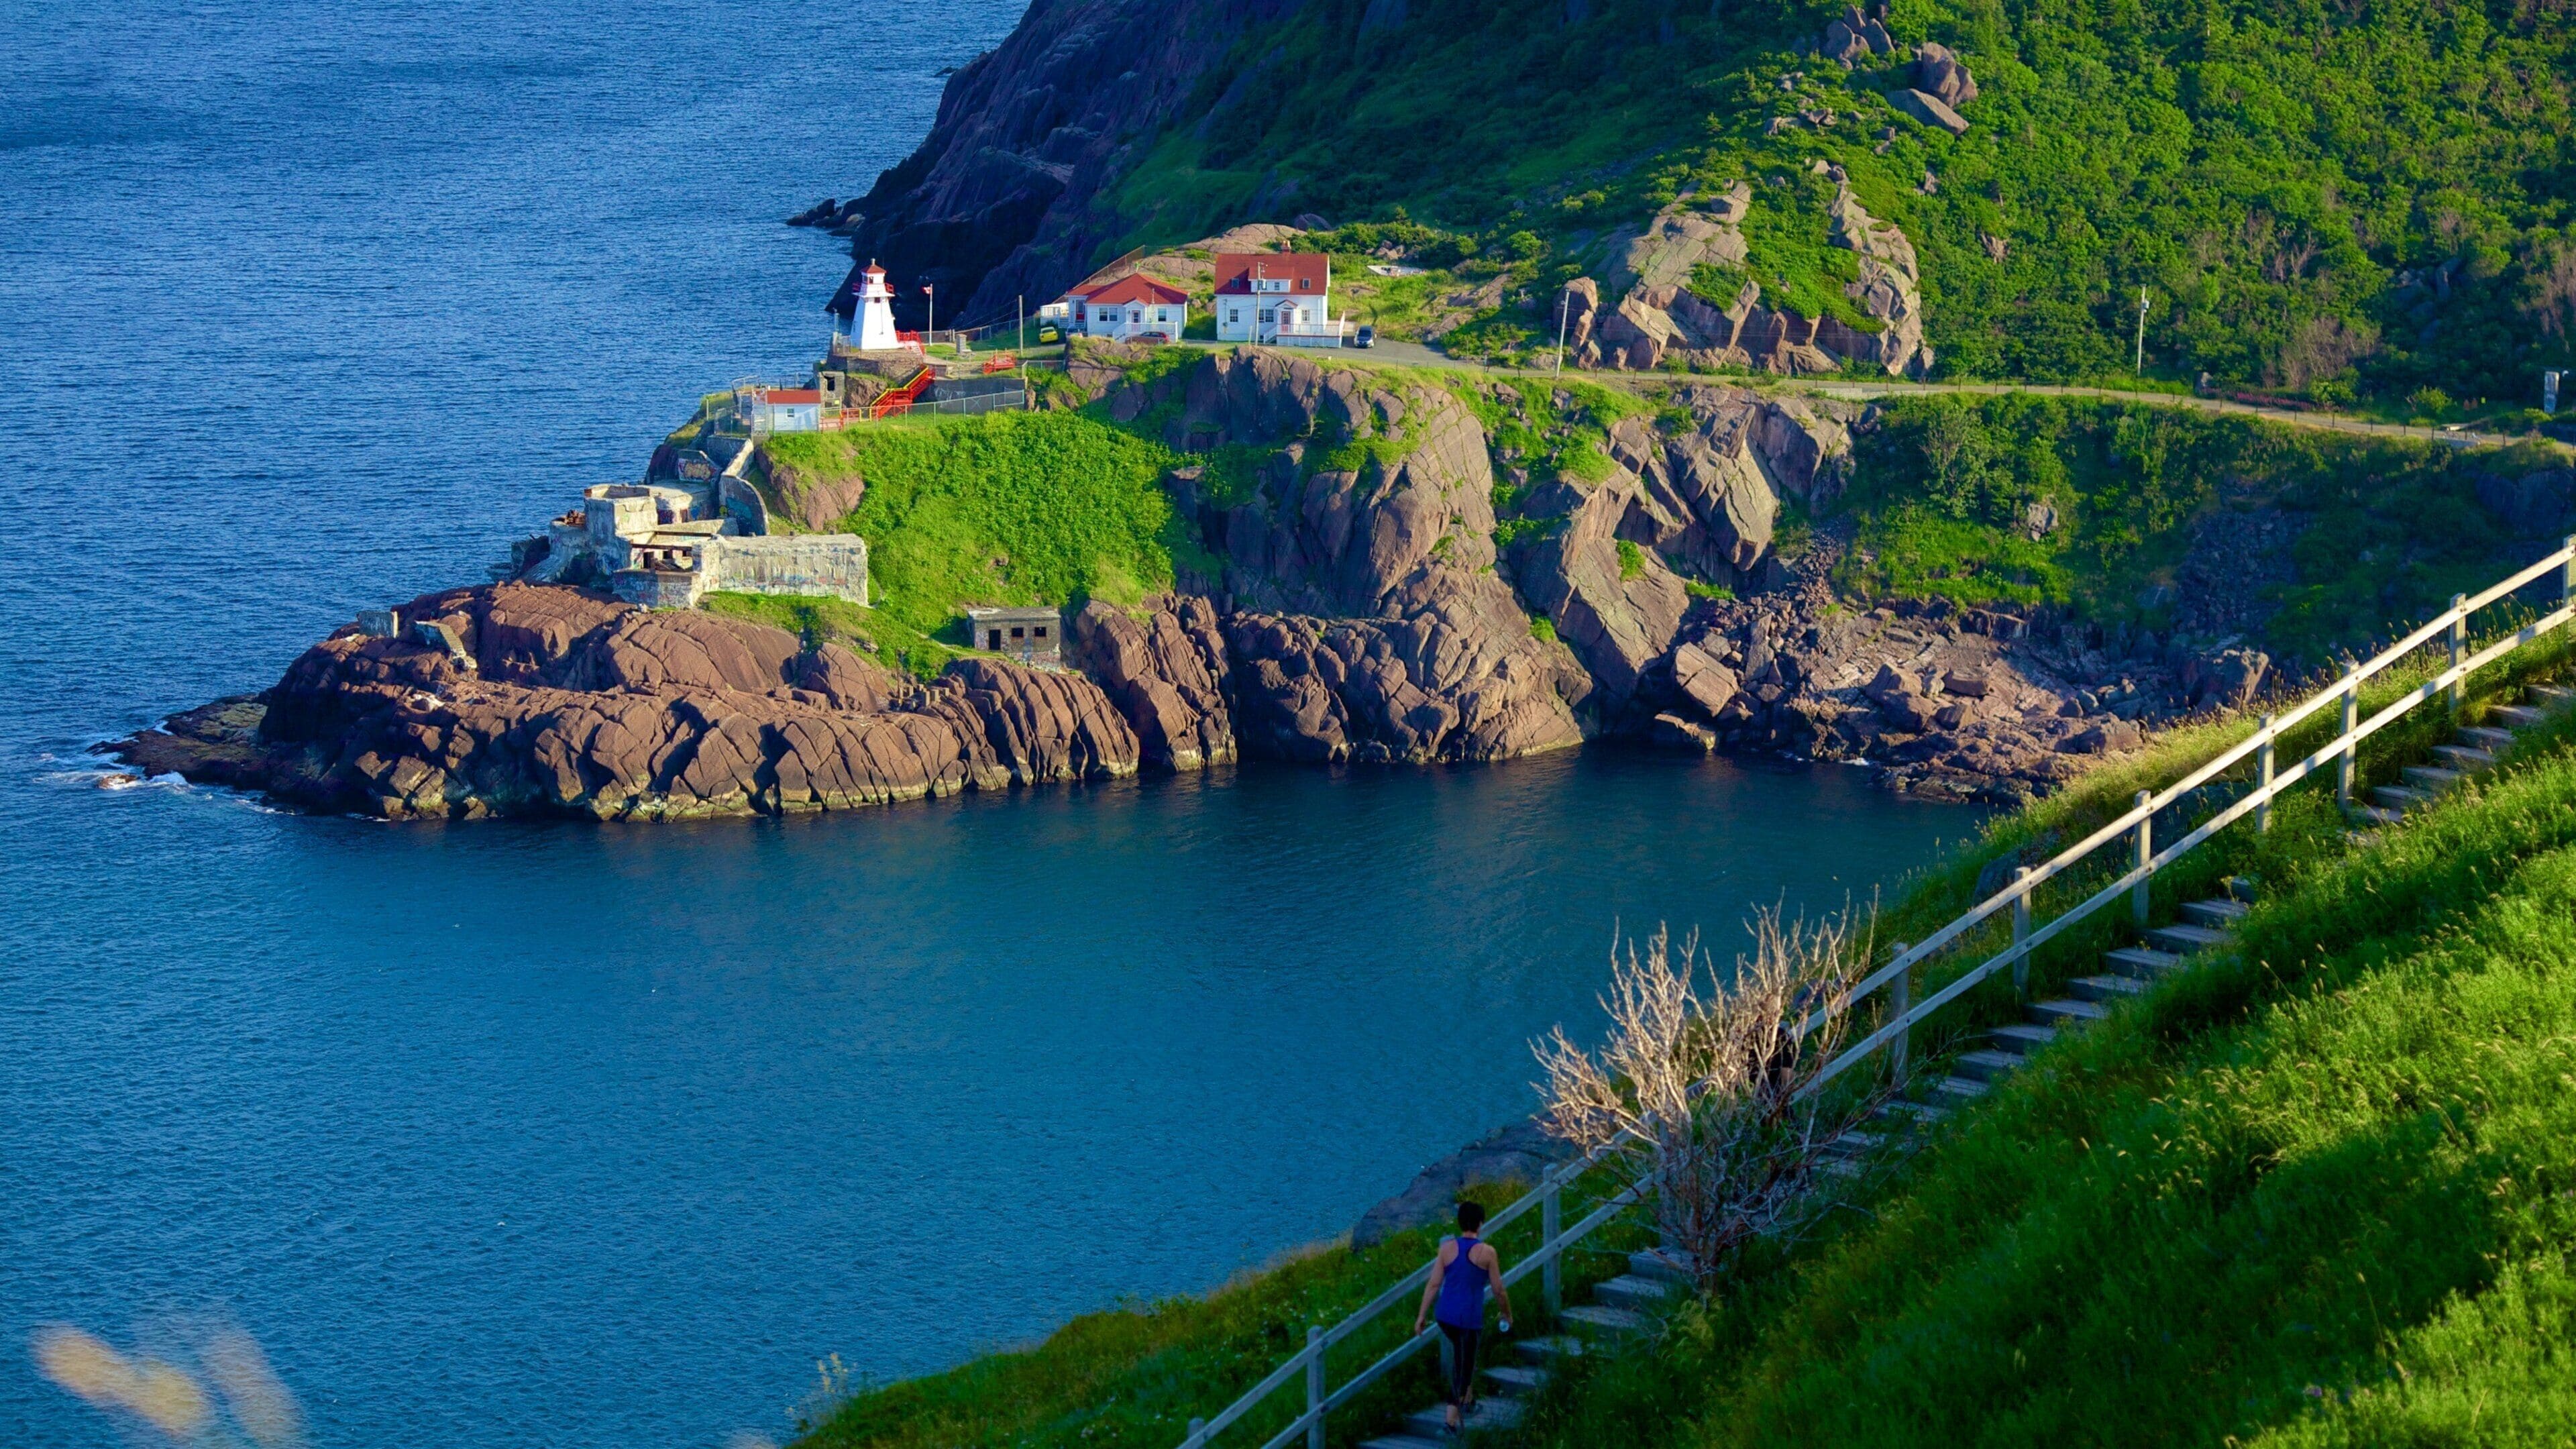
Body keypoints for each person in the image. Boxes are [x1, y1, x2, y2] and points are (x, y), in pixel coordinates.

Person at [1413, 1200, 1513, 1433]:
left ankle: (1468, 1403)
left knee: (1463, 1354)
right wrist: (1507, 1314)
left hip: (1445, 1316)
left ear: (1460, 1223)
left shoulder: (1447, 1249)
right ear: (1481, 1223)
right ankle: (1449, 1425)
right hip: (1468, 1319)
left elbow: (1434, 1284)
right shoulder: (1487, 1253)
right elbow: (1499, 1290)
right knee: (1463, 1367)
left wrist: (1421, 1316)